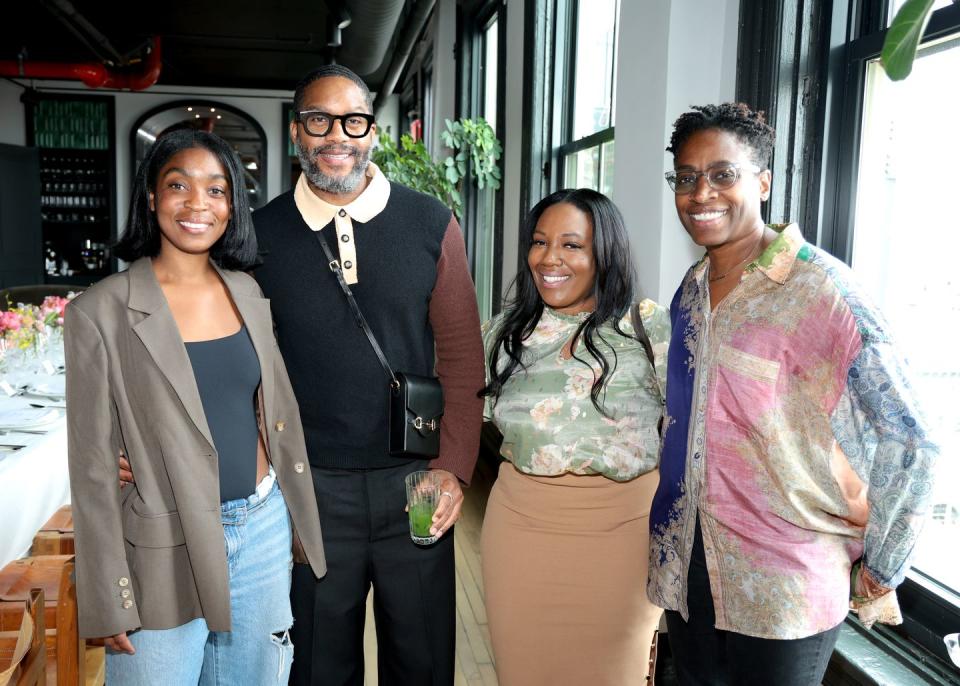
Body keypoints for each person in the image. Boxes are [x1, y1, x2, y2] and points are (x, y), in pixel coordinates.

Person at [647, 103, 940, 685]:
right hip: (685, 566)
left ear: (762, 181)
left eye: (722, 174)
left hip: (783, 585)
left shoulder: (822, 290)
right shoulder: (690, 290)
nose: (701, 192)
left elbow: (912, 441)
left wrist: (883, 567)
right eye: (686, 177)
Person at [251, 65, 485, 685]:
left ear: (372, 132)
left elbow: (462, 354)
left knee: (424, 657)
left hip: (414, 481)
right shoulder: (258, 235)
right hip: (310, 487)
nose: (336, 137)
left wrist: (452, 468)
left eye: (351, 121)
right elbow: (245, 363)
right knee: (318, 661)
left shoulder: (430, 223)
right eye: (318, 120)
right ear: (297, 130)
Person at [66, 129, 326, 684]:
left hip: (260, 530)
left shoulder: (249, 293)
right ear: (152, 197)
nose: (197, 204)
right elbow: (91, 468)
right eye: (178, 185)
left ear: (233, 206)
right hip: (164, 539)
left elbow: (267, 411)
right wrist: (107, 589)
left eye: (217, 190)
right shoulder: (99, 311)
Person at [480, 188, 668, 685]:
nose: (550, 259)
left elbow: (695, 429)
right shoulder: (505, 332)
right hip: (520, 529)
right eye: (540, 243)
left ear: (604, 253)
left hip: (622, 534)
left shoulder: (647, 326)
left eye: (571, 245)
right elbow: (460, 411)